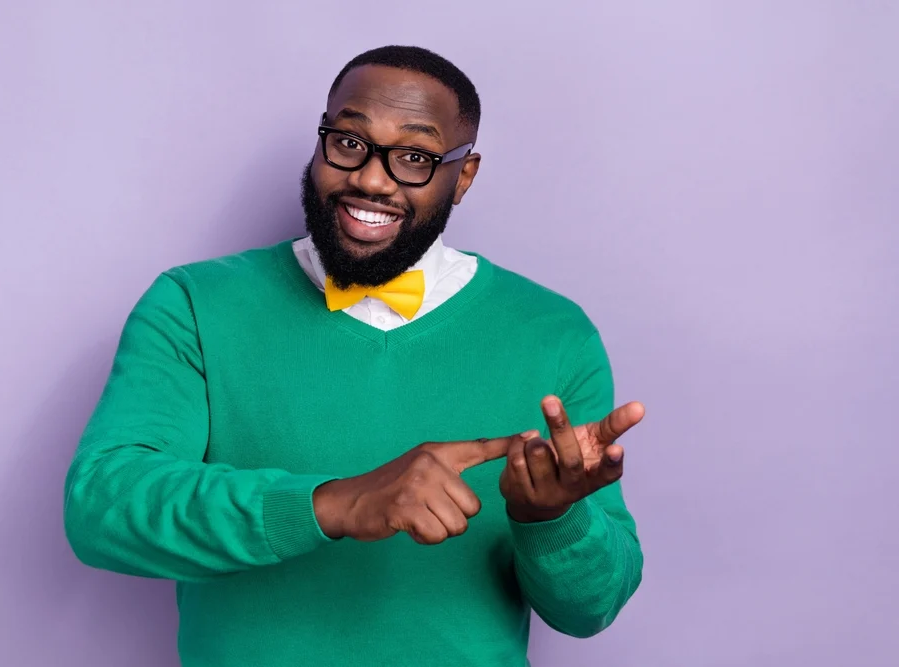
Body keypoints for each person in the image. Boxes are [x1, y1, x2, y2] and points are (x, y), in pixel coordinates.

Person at [64, 44, 645, 667]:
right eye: (348, 141)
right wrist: (337, 502)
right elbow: (103, 506)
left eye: (415, 158)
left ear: (464, 177)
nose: (371, 177)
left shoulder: (553, 333)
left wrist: (550, 517)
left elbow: (591, 610)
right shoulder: (194, 304)